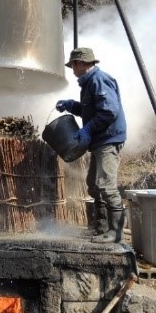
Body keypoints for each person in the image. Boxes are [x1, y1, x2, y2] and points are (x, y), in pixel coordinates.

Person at [56, 47, 127, 243]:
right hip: (99, 141)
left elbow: (109, 112)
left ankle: (115, 233)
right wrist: (71, 105)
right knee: (94, 185)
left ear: (80, 63)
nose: (72, 70)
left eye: (73, 65)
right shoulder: (88, 84)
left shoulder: (98, 80)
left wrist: (87, 129)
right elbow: (92, 110)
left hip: (108, 139)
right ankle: (101, 227)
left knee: (106, 185)